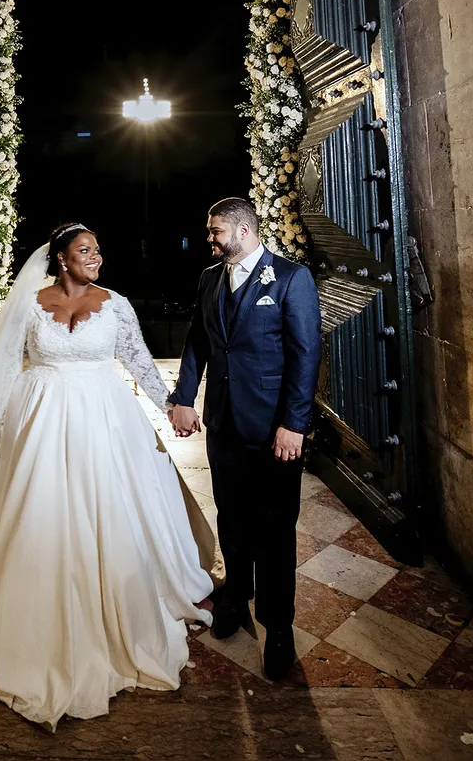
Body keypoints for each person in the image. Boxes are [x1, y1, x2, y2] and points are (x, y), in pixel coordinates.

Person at [0, 223, 212, 730]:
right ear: (61, 258)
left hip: (105, 422)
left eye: (98, 250)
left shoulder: (117, 304)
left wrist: (173, 405)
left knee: (107, 511)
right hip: (39, 424)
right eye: (85, 251)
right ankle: (28, 627)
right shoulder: (30, 305)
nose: (95, 257)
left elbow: (139, 361)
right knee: (40, 515)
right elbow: (4, 371)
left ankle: (118, 611)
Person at [167, 197, 321, 679]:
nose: (209, 239)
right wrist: (184, 397)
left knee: (275, 528)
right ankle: (236, 592)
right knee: (231, 515)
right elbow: (198, 341)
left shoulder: (292, 279)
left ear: (244, 229)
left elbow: (305, 354)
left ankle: (278, 628)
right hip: (224, 425)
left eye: (216, 232)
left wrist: (294, 424)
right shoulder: (209, 279)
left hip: (275, 431)